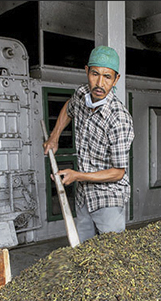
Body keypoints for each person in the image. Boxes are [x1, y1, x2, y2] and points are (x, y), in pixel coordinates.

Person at [43, 45, 135, 243]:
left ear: (116, 79)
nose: (100, 83)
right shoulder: (83, 94)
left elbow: (118, 172)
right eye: (95, 74)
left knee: (111, 255)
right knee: (85, 252)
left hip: (108, 198)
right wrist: (54, 136)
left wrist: (77, 175)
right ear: (86, 71)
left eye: (107, 77)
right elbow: (69, 106)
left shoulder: (118, 119)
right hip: (84, 195)